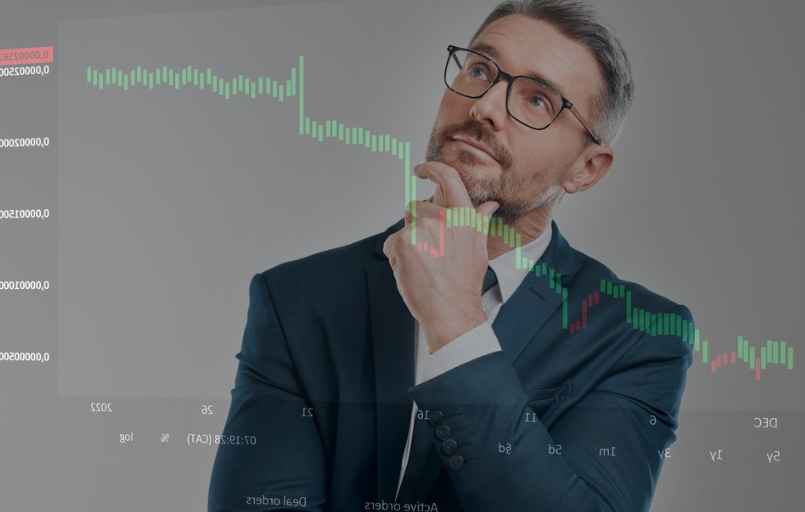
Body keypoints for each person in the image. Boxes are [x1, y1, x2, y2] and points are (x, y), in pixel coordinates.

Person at [208, 1, 693, 510]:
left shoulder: (640, 335)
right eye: (480, 70)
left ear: (586, 169)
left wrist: (457, 324)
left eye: (536, 100)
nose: (483, 106)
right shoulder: (298, 300)